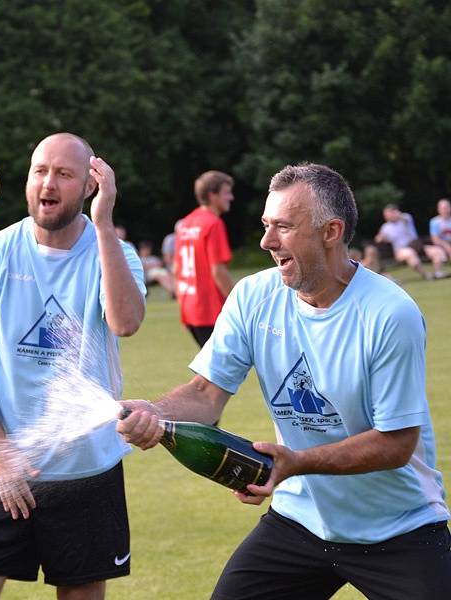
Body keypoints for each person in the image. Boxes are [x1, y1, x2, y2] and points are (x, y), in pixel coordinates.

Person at [118, 163, 451, 600]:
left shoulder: (390, 313)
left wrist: (294, 463)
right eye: (265, 225)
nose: (266, 241)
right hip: (301, 521)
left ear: (331, 231)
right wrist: (154, 413)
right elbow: (206, 394)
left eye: (283, 227)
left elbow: (396, 443)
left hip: (398, 528)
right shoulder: (254, 296)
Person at [0, 133, 146, 600]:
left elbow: (126, 323)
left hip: (84, 466)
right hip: (1, 460)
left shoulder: (114, 252)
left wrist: (104, 226)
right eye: (40, 171)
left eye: (64, 173)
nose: (48, 183)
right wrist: (2, 454)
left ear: (89, 187)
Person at [173, 170, 235, 347]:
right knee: (223, 371)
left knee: (214, 368)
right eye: (226, 192)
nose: (230, 197)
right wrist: (238, 304)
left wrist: (183, 308)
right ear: (212, 195)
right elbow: (218, 270)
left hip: (190, 309)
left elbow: (177, 270)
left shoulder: (185, 223)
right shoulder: (213, 223)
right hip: (210, 309)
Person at [374, 204, 446, 279]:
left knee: (437, 251)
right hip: (401, 251)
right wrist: (380, 238)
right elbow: (379, 238)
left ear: (395, 212)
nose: (386, 216)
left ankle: (438, 273)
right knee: (410, 253)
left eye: (388, 214)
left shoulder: (405, 217)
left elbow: (404, 219)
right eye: (385, 214)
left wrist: (397, 214)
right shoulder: (385, 227)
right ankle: (425, 274)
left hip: (417, 246)